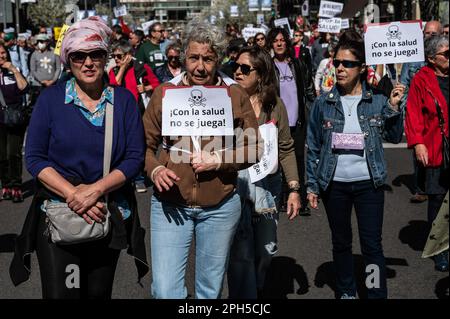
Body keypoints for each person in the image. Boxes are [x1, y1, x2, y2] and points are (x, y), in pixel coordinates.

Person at [9, 16, 149, 299]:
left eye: (96, 54)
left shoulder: (123, 101)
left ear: (105, 57)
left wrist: (95, 191)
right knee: (63, 294)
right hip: (58, 215)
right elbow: (35, 157)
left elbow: (134, 157)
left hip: (105, 214)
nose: (88, 63)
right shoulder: (51, 100)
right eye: (79, 56)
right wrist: (74, 194)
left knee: (97, 294)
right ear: (68, 59)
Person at [143, 20, 261, 299]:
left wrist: (218, 160)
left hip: (219, 206)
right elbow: (143, 148)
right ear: (183, 56)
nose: (200, 67)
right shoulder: (164, 93)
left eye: (208, 59)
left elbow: (255, 147)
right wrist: (156, 169)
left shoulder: (234, 94)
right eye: (194, 58)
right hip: (171, 205)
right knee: (165, 290)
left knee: (209, 290)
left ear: (218, 59)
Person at [306, 30, 405, 299]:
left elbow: (395, 136)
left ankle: (374, 292)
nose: (339, 68)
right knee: (341, 243)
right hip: (334, 185)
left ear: (362, 68)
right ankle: (347, 291)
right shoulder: (322, 104)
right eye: (336, 62)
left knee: (372, 245)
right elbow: (313, 147)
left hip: (368, 184)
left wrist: (395, 107)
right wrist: (311, 186)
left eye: (347, 64)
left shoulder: (377, 100)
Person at [227, 45, 301, 299]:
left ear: (260, 74)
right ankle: (246, 296)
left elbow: (286, 148)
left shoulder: (274, 105)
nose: (237, 72)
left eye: (245, 68)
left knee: (266, 247)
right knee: (240, 249)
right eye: (235, 66)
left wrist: (294, 188)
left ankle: (258, 284)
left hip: (269, 185)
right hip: (236, 185)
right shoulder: (224, 102)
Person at [405, 35, 449, 272]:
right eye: (446, 53)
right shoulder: (421, 79)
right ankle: (439, 248)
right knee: (438, 199)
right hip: (436, 147)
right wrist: (418, 143)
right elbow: (413, 113)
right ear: (432, 59)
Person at [268, 27, 315, 215]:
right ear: (272, 44)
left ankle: (300, 198)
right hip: (277, 122)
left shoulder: (296, 64)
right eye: (275, 41)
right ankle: (282, 198)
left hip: (298, 121)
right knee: (278, 161)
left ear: (287, 43)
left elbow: (307, 88)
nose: (279, 43)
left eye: (282, 40)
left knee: (298, 159)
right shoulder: (268, 66)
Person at [400, 20, 443, 204]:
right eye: (427, 33)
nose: (430, 36)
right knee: (420, 152)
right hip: (419, 115)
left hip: (438, 117)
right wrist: (404, 109)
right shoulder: (412, 58)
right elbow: (404, 85)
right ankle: (421, 188)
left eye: (434, 34)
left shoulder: (445, 58)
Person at [0, 43, 29, 202]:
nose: (2, 56)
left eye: (3, 52)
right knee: (2, 155)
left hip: (15, 117)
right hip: (0, 119)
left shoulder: (13, 70)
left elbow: (24, 88)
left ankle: (16, 186)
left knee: (14, 153)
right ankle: (6, 185)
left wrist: (14, 70)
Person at [108, 40, 160, 115]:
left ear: (128, 55)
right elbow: (113, 88)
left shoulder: (141, 67)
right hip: (121, 109)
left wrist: (146, 88)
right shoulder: (113, 71)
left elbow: (157, 84)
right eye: (114, 56)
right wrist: (123, 67)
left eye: (119, 56)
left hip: (139, 110)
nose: (116, 59)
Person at [29, 33, 61, 106]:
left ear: (47, 42)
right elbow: (33, 69)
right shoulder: (34, 54)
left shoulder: (54, 53)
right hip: (39, 85)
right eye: (38, 41)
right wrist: (42, 81)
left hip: (52, 85)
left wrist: (52, 81)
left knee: (53, 104)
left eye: (42, 41)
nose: (40, 43)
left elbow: (58, 68)